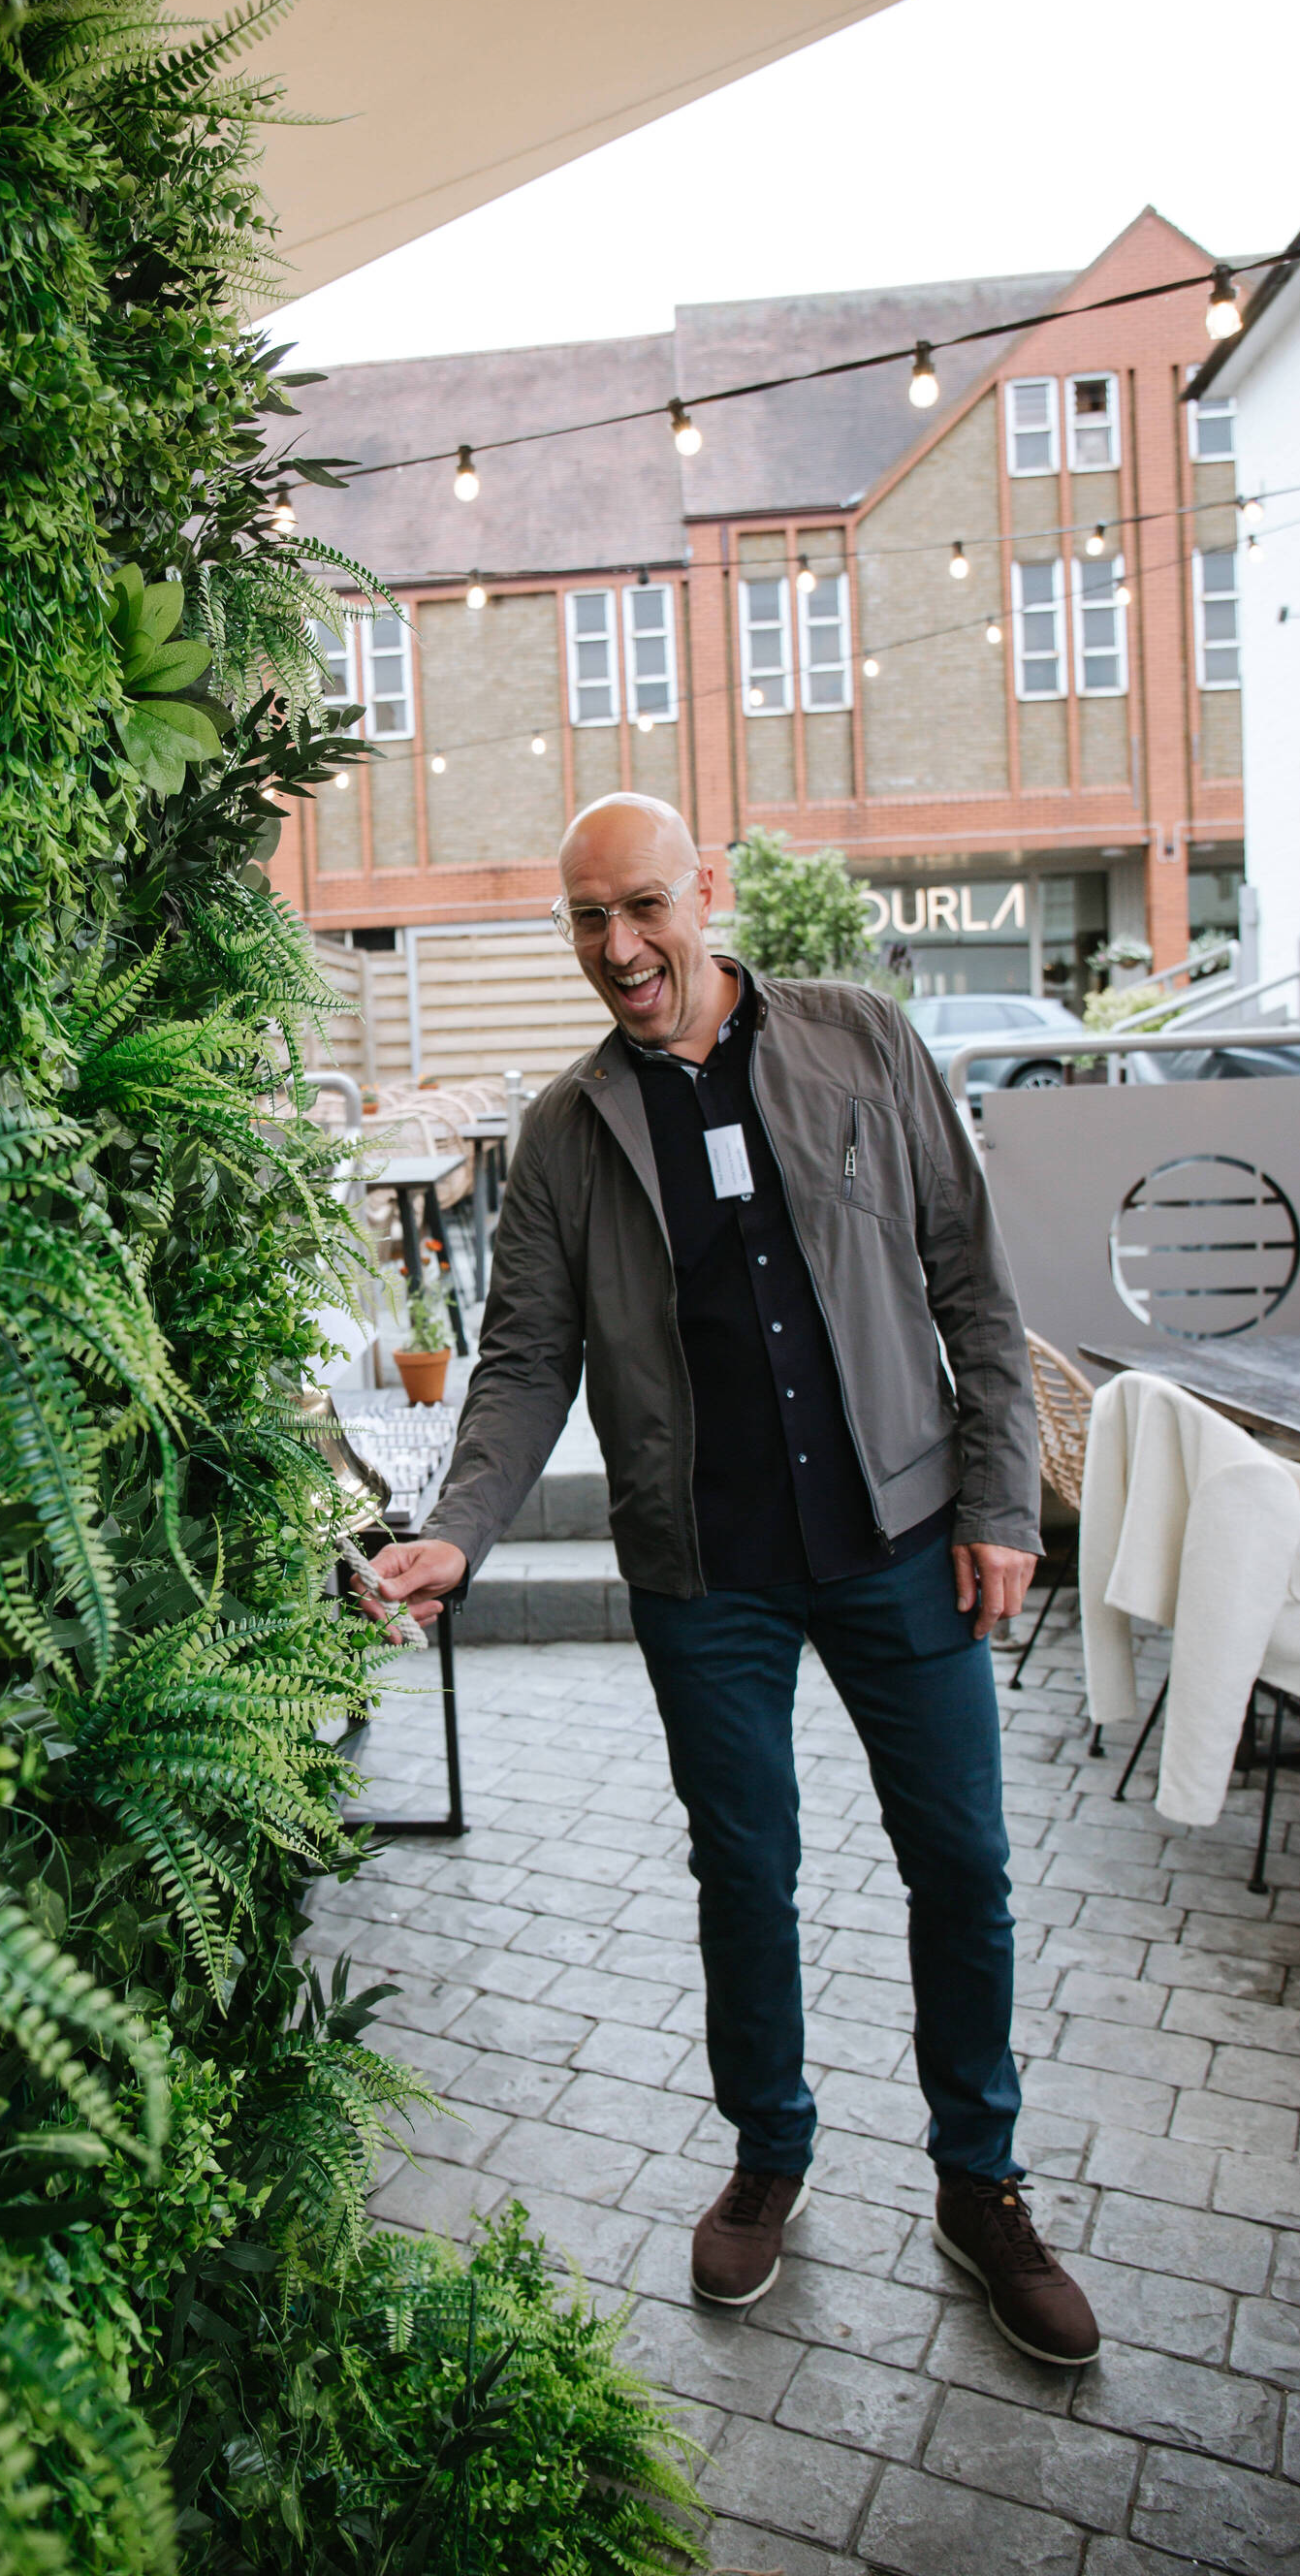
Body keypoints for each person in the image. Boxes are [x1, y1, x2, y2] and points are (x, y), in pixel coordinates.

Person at [368, 793, 1098, 2368]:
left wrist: (1001, 1500)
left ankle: (980, 2180)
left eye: (644, 905)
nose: (621, 946)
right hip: (708, 1574)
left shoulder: (862, 1040)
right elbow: (524, 1362)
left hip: (903, 1539)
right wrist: (461, 1530)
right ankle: (770, 2150)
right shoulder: (566, 1134)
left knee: (963, 1865)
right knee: (744, 1872)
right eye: (588, 918)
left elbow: (971, 1285)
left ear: (706, 887)